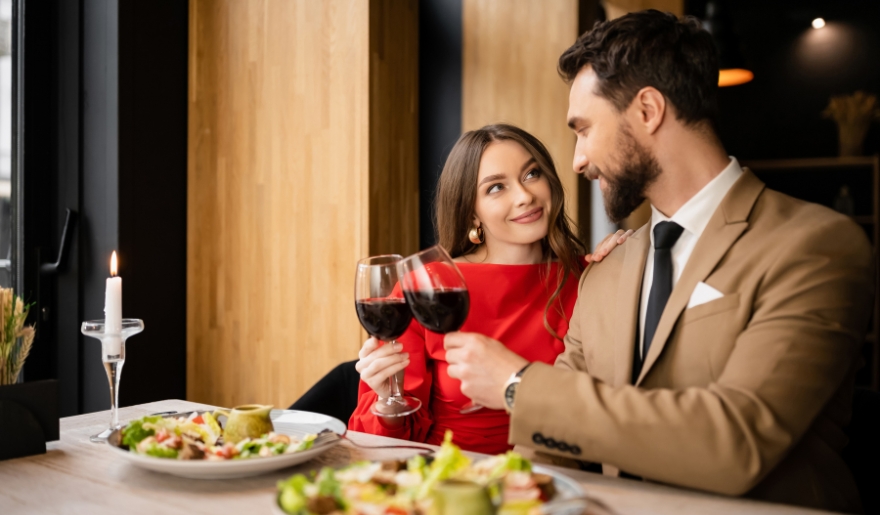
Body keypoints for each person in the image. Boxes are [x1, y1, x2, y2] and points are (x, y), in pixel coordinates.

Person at [442, 10, 874, 513]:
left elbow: (737, 441)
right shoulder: (606, 268)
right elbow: (547, 447)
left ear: (647, 110)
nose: (577, 160)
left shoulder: (814, 244)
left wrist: (517, 386)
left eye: (583, 130)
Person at [348, 124, 628, 454]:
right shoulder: (427, 287)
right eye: (496, 188)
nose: (525, 196)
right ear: (472, 213)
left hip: (557, 475)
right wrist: (385, 400)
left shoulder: (587, 277)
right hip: (451, 479)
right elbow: (380, 443)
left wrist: (624, 257)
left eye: (532, 173)